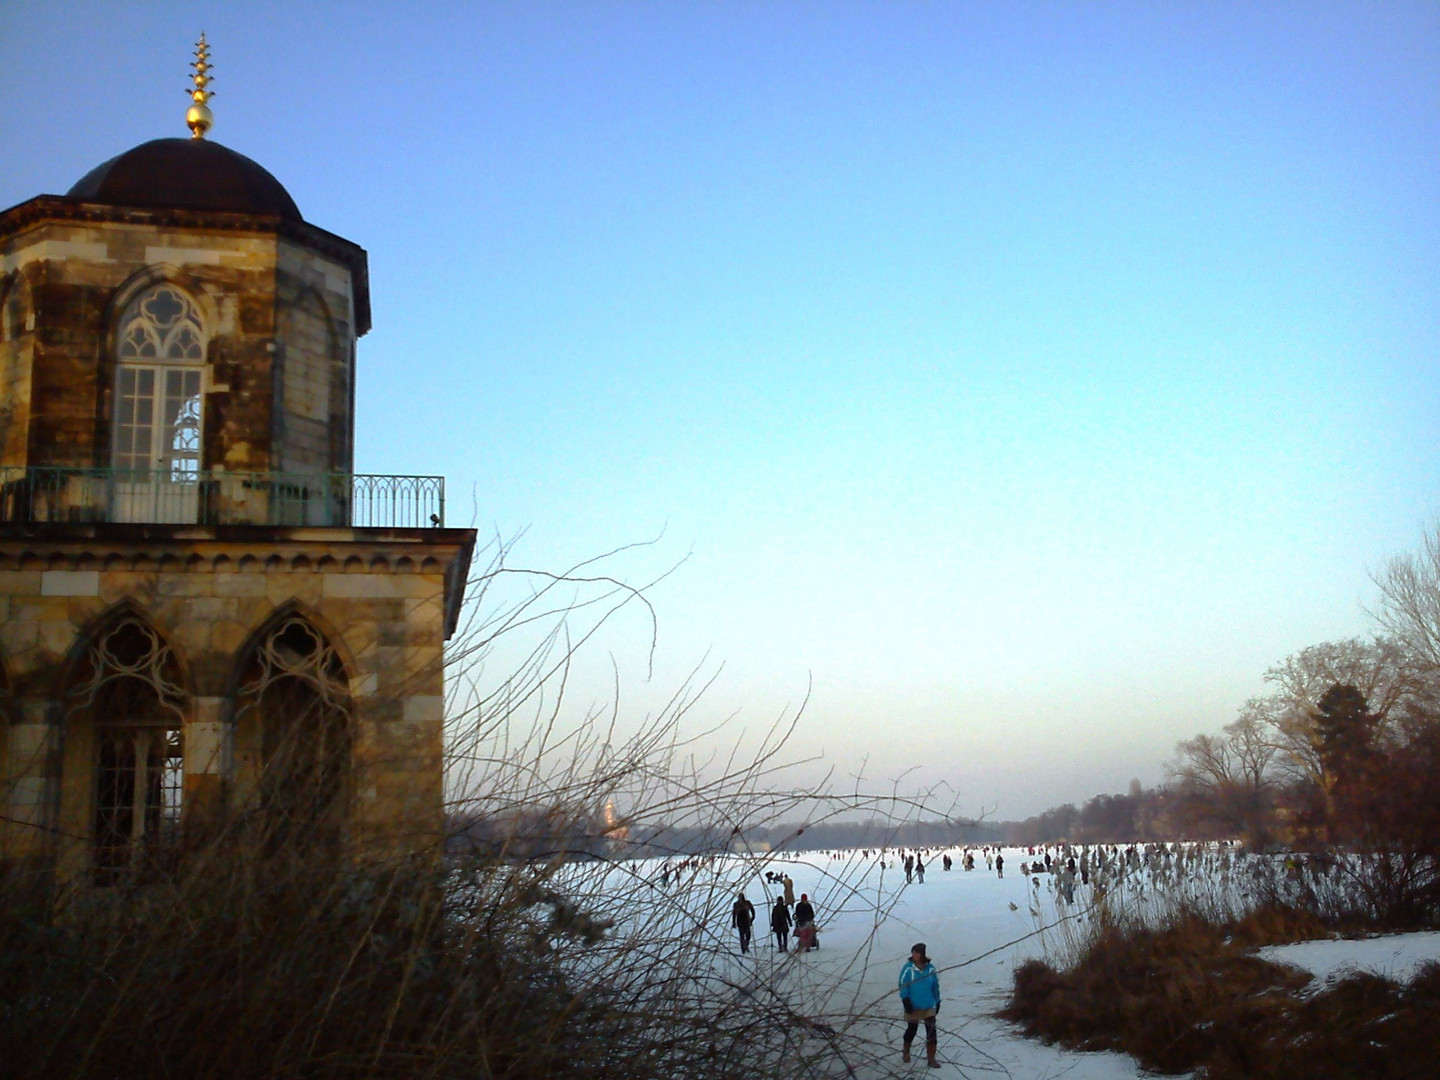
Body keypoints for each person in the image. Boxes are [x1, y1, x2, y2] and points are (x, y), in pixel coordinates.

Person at [899, 942, 941, 1068]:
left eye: (917, 953)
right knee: (912, 1030)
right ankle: (906, 1052)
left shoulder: (930, 969)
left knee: (931, 1030)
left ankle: (931, 1058)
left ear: (922, 954)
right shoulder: (908, 968)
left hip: (928, 1004)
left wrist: (937, 1001)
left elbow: (935, 986)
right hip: (913, 1005)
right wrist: (905, 1000)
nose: (914, 955)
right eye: (913, 952)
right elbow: (902, 985)